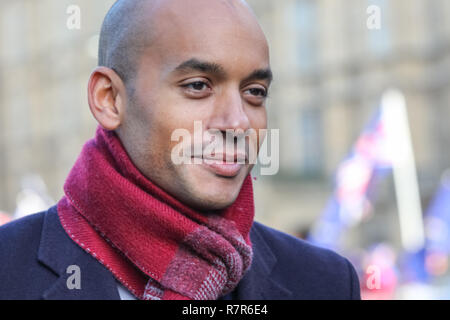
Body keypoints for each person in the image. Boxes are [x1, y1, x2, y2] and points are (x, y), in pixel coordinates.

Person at [0, 0, 360, 300]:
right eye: (199, 86)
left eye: (254, 92)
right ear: (109, 99)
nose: (237, 124)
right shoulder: (8, 270)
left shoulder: (324, 282)